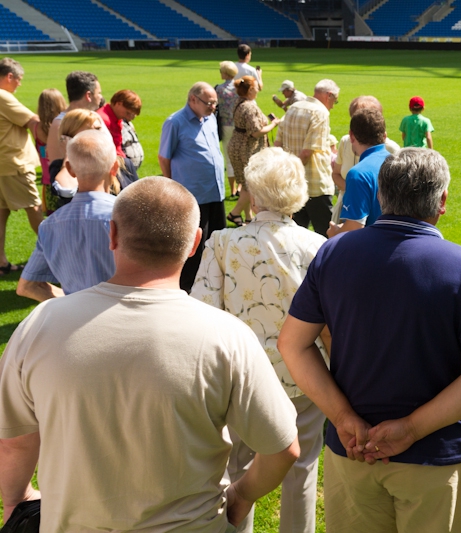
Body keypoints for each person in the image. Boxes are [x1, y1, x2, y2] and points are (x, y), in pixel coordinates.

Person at [0, 176, 300, 531]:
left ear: (112, 234)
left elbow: (14, 442)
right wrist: (241, 496)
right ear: (195, 243)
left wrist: (17, 498)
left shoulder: (41, 324)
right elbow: (284, 448)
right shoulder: (227, 336)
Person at [278, 148, 461, 533]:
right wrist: (411, 429)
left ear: (381, 196)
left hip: (353, 453)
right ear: (442, 201)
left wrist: (343, 418)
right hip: (435, 460)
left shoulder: (334, 252)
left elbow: (292, 344)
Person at [192, 148, 328, 533]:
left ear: (252, 193)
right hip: (305, 376)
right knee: (302, 468)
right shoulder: (317, 247)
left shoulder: (223, 243)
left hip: (241, 378)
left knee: (236, 466)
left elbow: (202, 310)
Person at [16, 129, 118, 302]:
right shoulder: (128, 216)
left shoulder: (50, 225)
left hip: (77, 317)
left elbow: (27, 286)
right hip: (123, 314)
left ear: (70, 169)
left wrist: (73, 303)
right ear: (114, 167)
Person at [159, 81, 226, 292]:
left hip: (216, 191)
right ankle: (188, 287)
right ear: (193, 99)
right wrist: (172, 185)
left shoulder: (210, 118)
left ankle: (214, 281)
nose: (213, 107)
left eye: (215, 103)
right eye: (209, 103)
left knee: (218, 239)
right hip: (194, 194)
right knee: (195, 244)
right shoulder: (175, 122)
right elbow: (164, 157)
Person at [274, 79, 338, 237]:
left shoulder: (293, 108)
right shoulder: (320, 113)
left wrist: (287, 174)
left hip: (293, 185)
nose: (333, 106)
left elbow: (277, 145)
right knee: (326, 237)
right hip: (316, 186)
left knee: (294, 237)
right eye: (335, 101)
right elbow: (306, 153)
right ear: (329, 95)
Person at [0, 57, 43, 275]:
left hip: (3, 164)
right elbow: (32, 120)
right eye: (19, 79)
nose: (20, 83)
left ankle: (1, 262)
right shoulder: (3, 97)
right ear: (10, 76)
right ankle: (59, 253)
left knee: (1, 213)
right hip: (14, 163)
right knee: (35, 208)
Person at [331, 95, 400, 224]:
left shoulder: (393, 149)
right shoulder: (345, 142)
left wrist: (360, 189)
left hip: (378, 218)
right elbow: (336, 174)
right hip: (346, 209)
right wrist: (354, 189)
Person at [327, 108, 391, 237]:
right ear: (384, 136)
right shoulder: (398, 162)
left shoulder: (358, 174)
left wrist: (334, 234)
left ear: (351, 136)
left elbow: (354, 227)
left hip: (373, 245)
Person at [226, 75, 280, 226]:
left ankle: (248, 217)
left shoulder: (240, 102)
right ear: (250, 90)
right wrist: (274, 124)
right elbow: (256, 132)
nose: (258, 89)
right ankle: (234, 213)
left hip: (237, 146)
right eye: (256, 87)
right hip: (246, 149)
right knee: (251, 185)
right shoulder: (249, 107)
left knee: (245, 183)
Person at [49, 109, 107, 208]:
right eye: (89, 131)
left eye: (98, 129)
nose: (97, 135)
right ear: (70, 137)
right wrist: (69, 153)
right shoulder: (58, 166)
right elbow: (66, 192)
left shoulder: (121, 163)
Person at [46, 71, 103, 162]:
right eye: (99, 93)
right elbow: (56, 163)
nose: (101, 97)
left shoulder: (94, 116)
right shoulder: (61, 124)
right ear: (88, 95)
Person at [33, 88, 66, 214]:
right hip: (65, 178)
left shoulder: (35, 127)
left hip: (47, 180)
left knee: (52, 215)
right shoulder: (63, 125)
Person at [217, 60, 239, 196]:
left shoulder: (219, 89)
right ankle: (241, 186)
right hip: (239, 125)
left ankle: (233, 189)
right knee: (240, 156)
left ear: (225, 73)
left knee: (229, 157)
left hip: (225, 125)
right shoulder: (239, 87)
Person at [97, 89, 141, 158]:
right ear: (118, 104)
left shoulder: (115, 117)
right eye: (127, 113)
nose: (129, 117)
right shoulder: (104, 120)